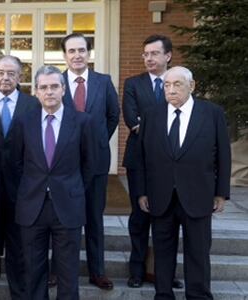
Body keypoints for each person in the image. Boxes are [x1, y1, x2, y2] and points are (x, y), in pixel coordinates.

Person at [135, 66, 231, 299]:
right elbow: (141, 157)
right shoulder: (152, 114)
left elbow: (223, 156)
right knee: (163, 250)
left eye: (177, 84)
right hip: (160, 195)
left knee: (198, 252)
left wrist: (221, 193)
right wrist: (141, 192)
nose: (171, 90)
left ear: (192, 86)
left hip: (198, 195)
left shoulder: (212, 113)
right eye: (167, 85)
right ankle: (163, 294)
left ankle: (198, 295)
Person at [12, 65, 95, 300]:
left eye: (54, 86)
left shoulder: (82, 122)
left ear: (63, 89)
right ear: (36, 91)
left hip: (67, 206)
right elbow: (15, 164)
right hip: (32, 206)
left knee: (68, 273)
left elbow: (89, 166)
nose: (49, 92)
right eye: (44, 87)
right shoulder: (23, 122)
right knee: (33, 271)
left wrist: (72, 189)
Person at [59, 33, 120, 290]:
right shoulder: (55, 81)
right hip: (62, 164)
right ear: (64, 55)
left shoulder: (103, 82)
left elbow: (113, 115)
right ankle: (57, 271)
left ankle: (97, 271)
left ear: (89, 53)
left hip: (96, 162)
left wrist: (95, 143)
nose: (77, 55)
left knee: (94, 217)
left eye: (81, 50)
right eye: (71, 51)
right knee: (60, 220)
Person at [122, 34, 183, 289]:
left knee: (168, 218)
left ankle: (164, 273)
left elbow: (184, 118)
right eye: (145, 54)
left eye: (154, 54)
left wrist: (152, 126)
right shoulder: (133, 84)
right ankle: (136, 270)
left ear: (167, 56)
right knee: (140, 216)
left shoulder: (178, 83)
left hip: (173, 163)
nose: (149, 58)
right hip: (140, 161)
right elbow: (132, 120)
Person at [0, 55, 38, 299]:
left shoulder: (32, 105)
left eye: (11, 73)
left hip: (21, 190)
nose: (5, 77)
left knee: (19, 250)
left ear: (20, 76)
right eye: (1, 72)